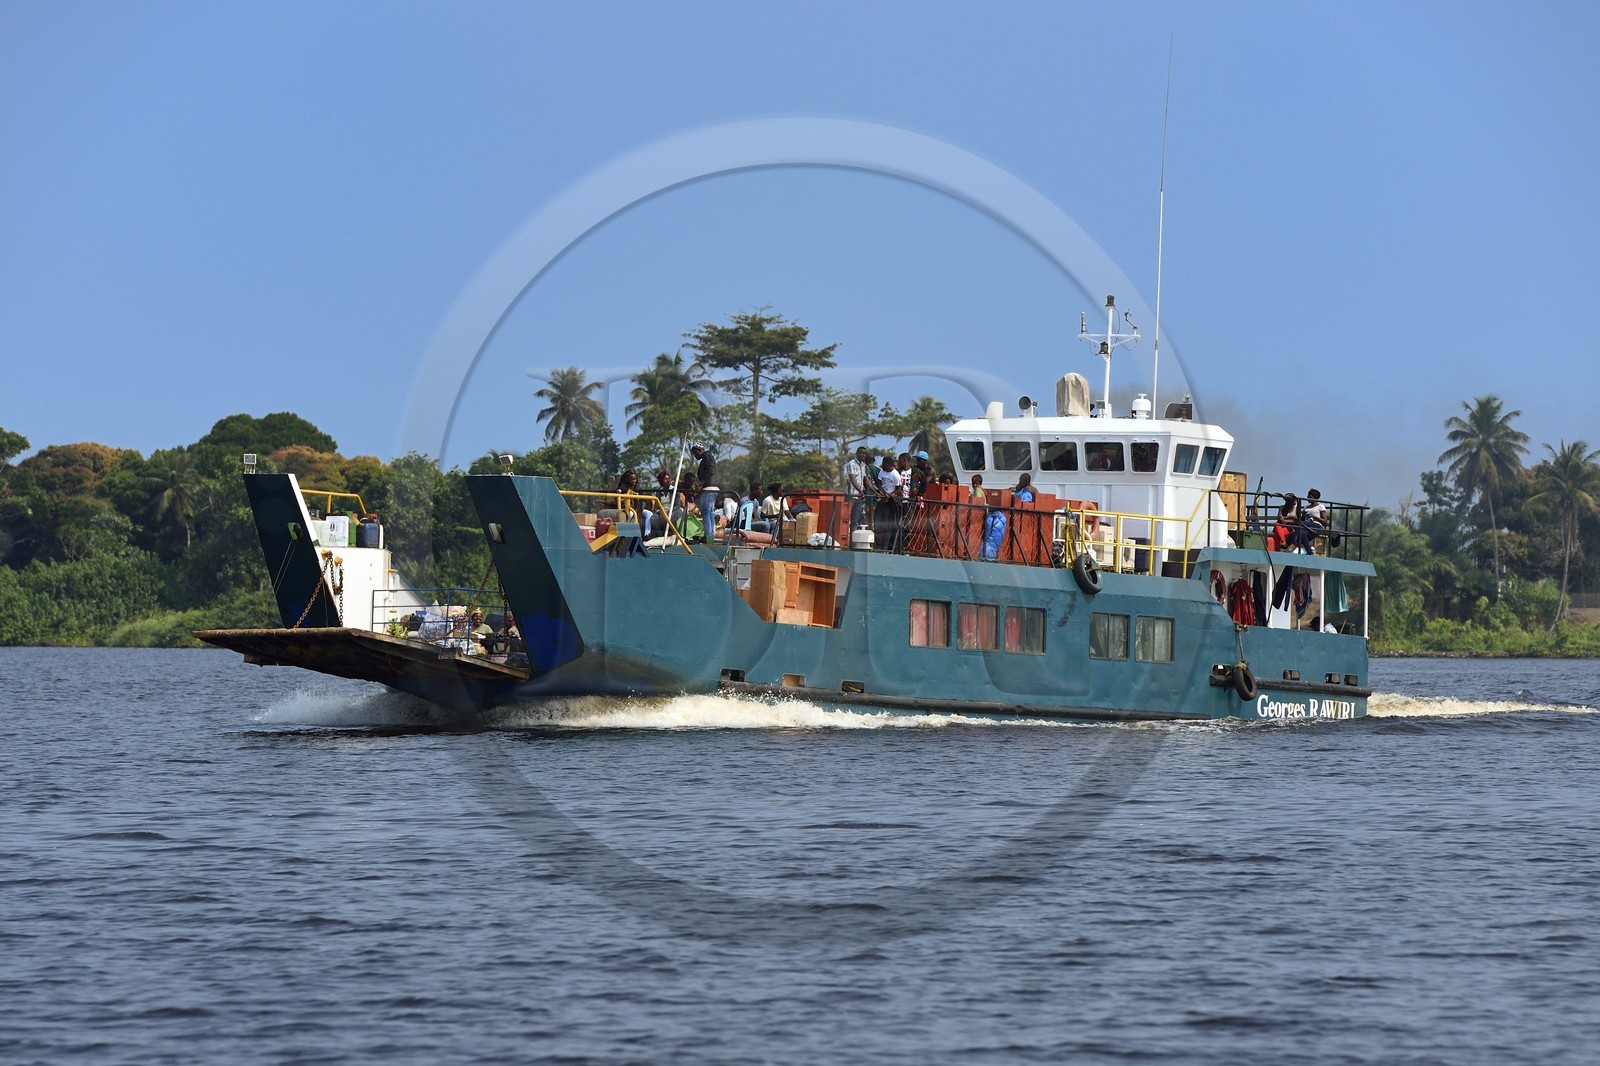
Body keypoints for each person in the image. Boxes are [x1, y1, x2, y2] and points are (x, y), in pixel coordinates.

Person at [690, 445, 718, 545]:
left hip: (709, 488)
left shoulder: (707, 456)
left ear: (701, 450)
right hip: (711, 488)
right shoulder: (706, 458)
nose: (694, 455)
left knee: (705, 513)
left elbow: (710, 471)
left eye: (695, 452)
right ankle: (711, 535)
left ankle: (708, 537)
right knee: (710, 513)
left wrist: (701, 484)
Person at [842, 446, 871, 529]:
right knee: (846, 518)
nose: (863, 455)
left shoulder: (863, 465)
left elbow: (866, 480)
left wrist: (876, 492)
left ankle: (852, 541)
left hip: (858, 497)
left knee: (855, 521)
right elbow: (852, 479)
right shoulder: (851, 464)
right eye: (862, 453)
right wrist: (860, 491)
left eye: (865, 454)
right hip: (851, 495)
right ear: (857, 454)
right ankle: (845, 540)